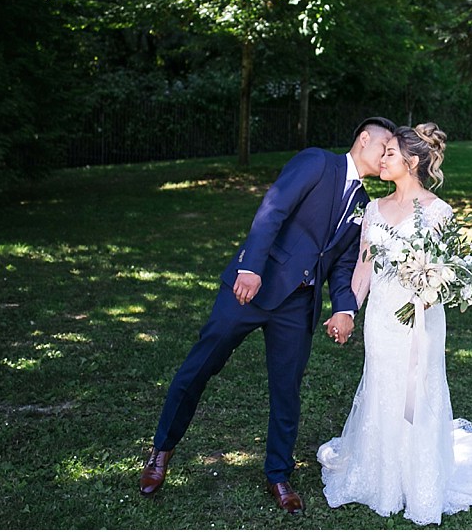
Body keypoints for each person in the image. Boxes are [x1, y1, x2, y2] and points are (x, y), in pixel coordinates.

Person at [139, 116, 396, 514]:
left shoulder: (364, 204)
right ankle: (161, 450)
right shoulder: (317, 162)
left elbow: (343, 264)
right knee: (201, 366)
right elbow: (273, 208)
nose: (387, 156)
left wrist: (344, 308)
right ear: (364, 139)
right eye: (385, 147)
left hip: (299, 305)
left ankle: (278, 473)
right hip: (253, 288)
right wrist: (250, 267)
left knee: (287, 391)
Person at [317, 123, 472, 526]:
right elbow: (363, 270)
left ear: (412, 162)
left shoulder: (439, 211)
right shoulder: (373, 209)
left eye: (390, 153)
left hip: (420, 319)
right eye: (384, 152)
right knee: (382, 385)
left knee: (419, 390)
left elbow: (446, 271)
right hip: (382, 318)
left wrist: (430, 288)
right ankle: (383, 477)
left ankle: (420, 479)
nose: (382, 158)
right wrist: (348, 311)